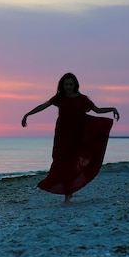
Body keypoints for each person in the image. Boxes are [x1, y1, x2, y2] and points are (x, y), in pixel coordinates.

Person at [21, 73, 120, 204]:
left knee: (71, 162)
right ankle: (68, 189)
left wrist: (112, 108)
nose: (68, 86)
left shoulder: (83, 99)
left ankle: (68, 193)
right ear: (62, 85)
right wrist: (27, 114)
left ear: (75, 85)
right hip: (62, 134)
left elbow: (97, 110)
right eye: (66, 84)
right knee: (59, 160)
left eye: (70, 84)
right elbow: (43, 106)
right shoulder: (59, 98)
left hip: (77, 135)